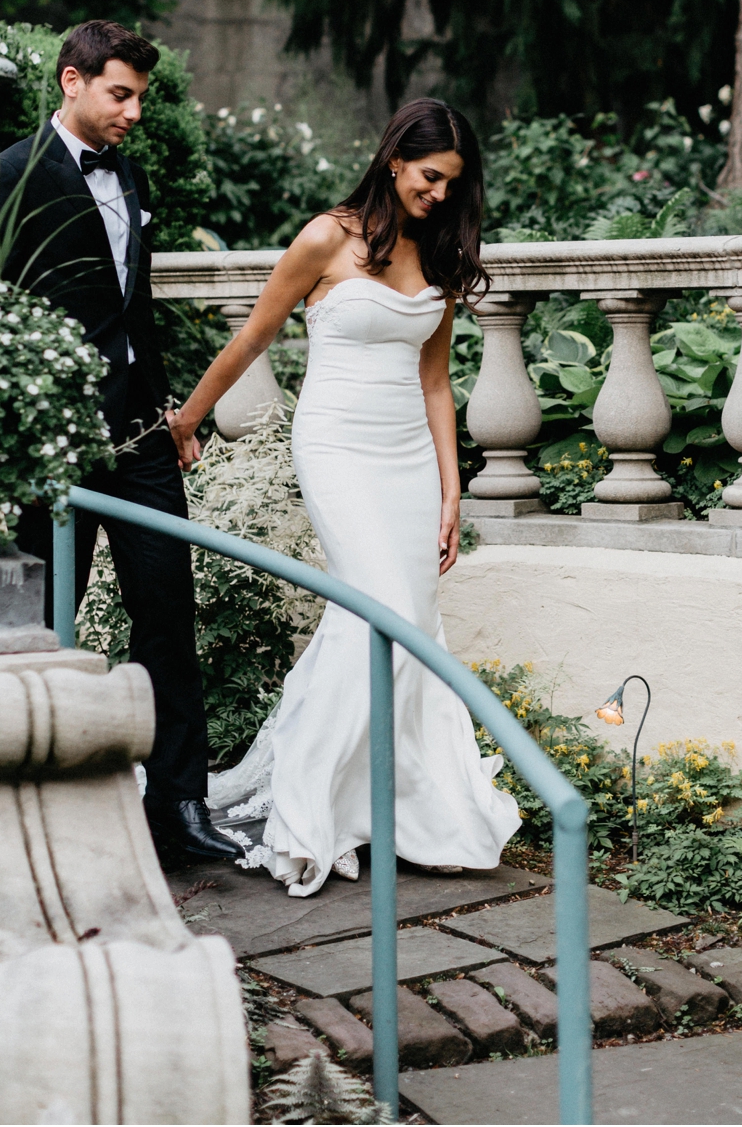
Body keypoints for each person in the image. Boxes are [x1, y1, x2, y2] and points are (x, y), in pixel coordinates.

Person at [168, 97, 520, 896]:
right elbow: (253, 335)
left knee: (401, 623)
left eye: (452, 185)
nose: (439, 195)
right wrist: (188, 418)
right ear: (395, 158)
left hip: (406, 458)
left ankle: (391, 810)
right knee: (383, 610)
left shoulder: (437, 251)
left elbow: (436, 380)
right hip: (336, 447)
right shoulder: (326, 237)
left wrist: (449, 489)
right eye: (431, 177)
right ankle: (307, 813)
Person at [0, 19, 238, 865]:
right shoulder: (6, 176)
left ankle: (178, 804)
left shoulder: (130, 171)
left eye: (140, 98)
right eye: (121, 94)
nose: (134, 113)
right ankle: (35, 795)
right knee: (51, 619)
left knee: (167, 611)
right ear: (71, 82)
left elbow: (133, 308)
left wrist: (170, 414)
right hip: (57, 441)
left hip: (141, 436)